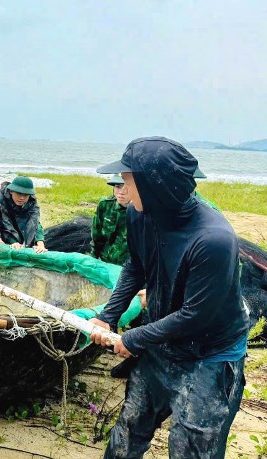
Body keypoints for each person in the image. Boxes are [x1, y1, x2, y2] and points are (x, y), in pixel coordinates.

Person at [90, 137, 249, 459]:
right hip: (162, 345)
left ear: (154, 187)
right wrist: (110, 315)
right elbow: (136, 265)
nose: (122, 188)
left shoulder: (213, 240)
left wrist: (135, 337)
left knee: (192, 449)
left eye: (127, 181)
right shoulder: (139, 214)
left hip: (209, 357)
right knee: (127, 434)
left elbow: (196, 315)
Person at [90, 174, 131, 265]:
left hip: (128, 267)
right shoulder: (105, 205)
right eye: (118, 187)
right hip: (105, 262)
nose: (121, 192)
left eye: (127, 187)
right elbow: (97, 236)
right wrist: (93, 260)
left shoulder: (142, 212)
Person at [0, 176, 46, 253]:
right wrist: (13, 242)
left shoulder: (32, 201)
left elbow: (35, 222)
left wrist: (40, 242)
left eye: (25, 195)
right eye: (19, 194)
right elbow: (4, 222)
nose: (22, 198)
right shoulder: (0, 199)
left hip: (18, 222)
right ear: (11, 191)